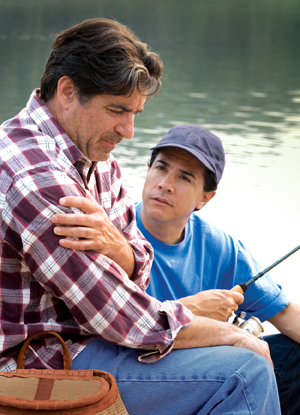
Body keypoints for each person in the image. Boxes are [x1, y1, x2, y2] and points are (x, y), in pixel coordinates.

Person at [0, 18, 281, 413]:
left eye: (136, 113)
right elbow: (121, 315)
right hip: (39, 365)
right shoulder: (36, 178)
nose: (128, 131)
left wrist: (123, 252)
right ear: (67, 91)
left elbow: (139, 276)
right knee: (244, 372)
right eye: (117, 110)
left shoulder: (97, 160)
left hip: (91, 342)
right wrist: (229, 335)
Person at [45, 112, 281, 415]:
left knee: (289, 355)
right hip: (123, 359)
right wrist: (194, 312)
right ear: (147, 170)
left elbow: (287, 315)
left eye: (184, 177)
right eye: (161, 168)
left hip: (183, 367)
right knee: (248, 370)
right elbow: (101, 329)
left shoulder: (221, 246)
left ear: (205, 198)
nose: (166, 184)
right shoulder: (105, 228)